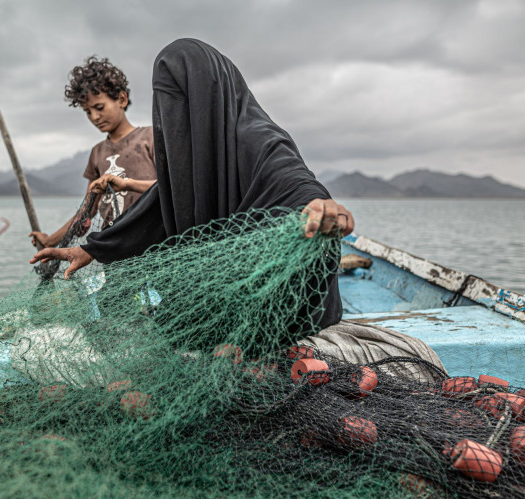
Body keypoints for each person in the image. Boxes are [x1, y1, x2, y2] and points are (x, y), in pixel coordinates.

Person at [31, 38, 355, 330]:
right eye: (166, 106)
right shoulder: (188, 152)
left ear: (207, 95)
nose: (173, 117)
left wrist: (321, 204)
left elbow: (294, 182)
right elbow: (163, 200)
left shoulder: (258, 138)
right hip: (221, 294)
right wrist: (92, 248)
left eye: (182, 102)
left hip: (274, 302)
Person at [28, 56, 157, 249]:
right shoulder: (97, 153)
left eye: (99, 107)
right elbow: (87, 212)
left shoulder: (150, 138)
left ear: (122, 99)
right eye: (88, 112)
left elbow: (171, 189)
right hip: (114, 249)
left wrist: (128, 184)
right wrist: (49, 241)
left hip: (154, 244)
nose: (95, 117)